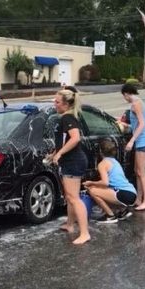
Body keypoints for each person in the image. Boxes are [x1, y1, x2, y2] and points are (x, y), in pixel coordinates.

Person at [48, 88, 90, 244]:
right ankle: (70, 225)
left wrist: (60, 154)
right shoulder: (66, 117)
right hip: (72, 161)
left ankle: (85, 233)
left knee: (73, 198)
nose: (55, 104)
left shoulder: (68, 118)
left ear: (65, 104)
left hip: (74, 161)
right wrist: (55, 153)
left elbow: (75, 138)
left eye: (57, 102)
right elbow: (65, 140)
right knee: (71, 196)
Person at [83, 138, 137, 224]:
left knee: (92, 190)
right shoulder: (115, 161)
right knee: (101, 189)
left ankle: (110, 216)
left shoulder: (102, 164)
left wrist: (91, 183)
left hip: (124, 194)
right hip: (132, 192)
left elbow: (105, 183)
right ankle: (122, 211)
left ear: (100, 151)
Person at [120, 83, 145, 211]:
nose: (125, 98)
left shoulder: (136, 104)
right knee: (137, 171)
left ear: (127, 93)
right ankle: (139, 199)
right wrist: (124, 123)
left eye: (124, 95)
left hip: (142, 140)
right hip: (142, 139)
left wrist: (131, 141)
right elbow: (136, 124)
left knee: (141, 172)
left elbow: (141, 124)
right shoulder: (138, 102)